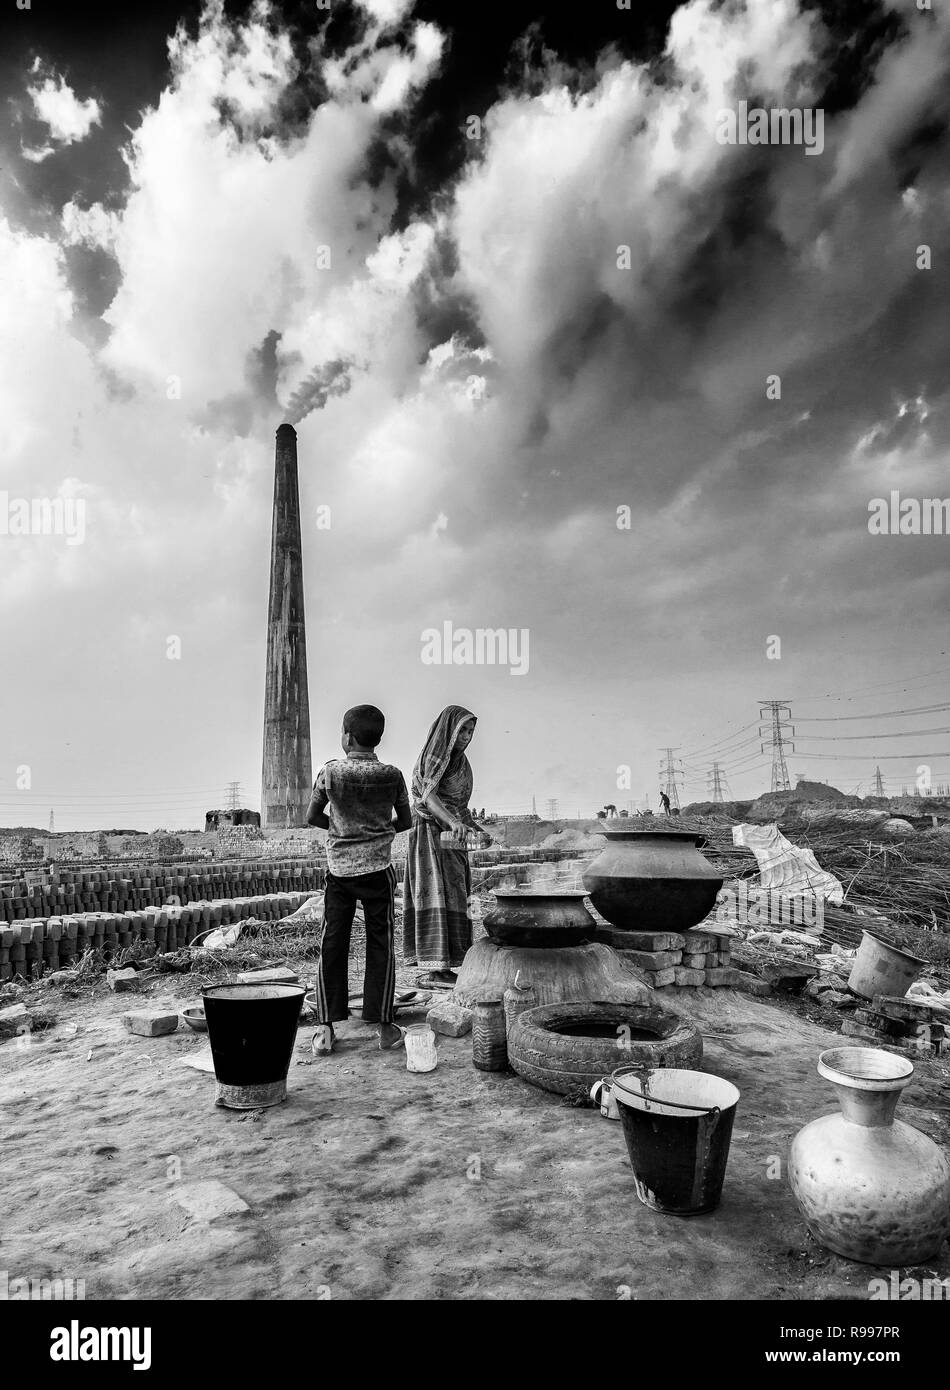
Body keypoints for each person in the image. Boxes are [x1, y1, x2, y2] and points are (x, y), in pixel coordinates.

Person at [306, 704, 412, 1053]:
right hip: (378, 871)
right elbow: (406, 822)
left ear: (347, 736)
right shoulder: (392, 775)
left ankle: (325, 1028)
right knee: (380, 943)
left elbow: (312, 816)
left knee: (332, 943)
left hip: (339, 872)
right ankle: (383, 1026)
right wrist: (379, 832)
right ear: (377, 737)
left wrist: (340, 829)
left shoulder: (331, 773)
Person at [403, 705, 483, 987]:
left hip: (452, 837)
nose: (466, 737)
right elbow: (428, 797)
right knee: (434, 893)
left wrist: (476, 830)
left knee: (456, 894)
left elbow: (461, 808)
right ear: (449, 731)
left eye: (471, 732)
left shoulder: (462, 764)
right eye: (462, 731)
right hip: (429, 833)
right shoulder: (435, 756)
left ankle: (447, 965)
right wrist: (451, 822)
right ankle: (434, 968)